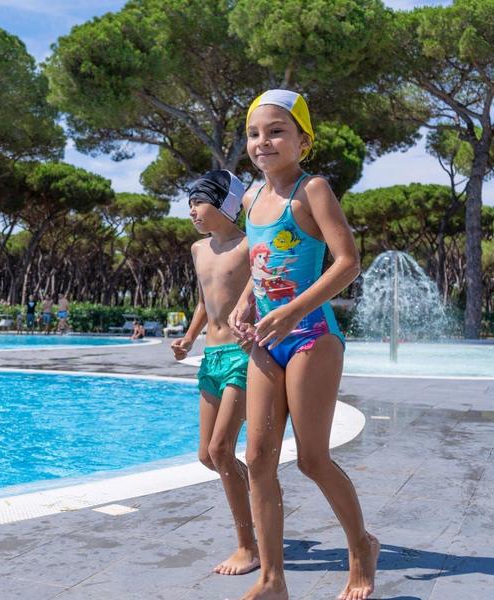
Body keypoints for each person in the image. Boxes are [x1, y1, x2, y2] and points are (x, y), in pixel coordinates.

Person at [230, 89, 378, 600]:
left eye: (276, 131)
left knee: (312, 460)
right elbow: (261, 260)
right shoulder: (251, 197)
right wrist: (247, 301)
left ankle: (361, 548)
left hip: (313, 337)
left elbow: (347, 262)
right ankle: (272, 580)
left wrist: (291, 311)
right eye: (254, 132)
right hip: (265, 342)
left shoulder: (311, 190)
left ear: (303, 140)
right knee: (258, 458)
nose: (263, 141)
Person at [170, 169, 260, 577]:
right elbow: (207, 299)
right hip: (210, 357)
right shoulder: (197, 249)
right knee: (207, 455)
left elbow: (261, 292)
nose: (191, 211)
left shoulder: (250, 245)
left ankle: (248, 545)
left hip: (243, 356)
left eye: (198, 202)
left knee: (223, 449)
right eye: (189, 203)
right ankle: (259, 499)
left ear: (225, 204)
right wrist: (189, 338)